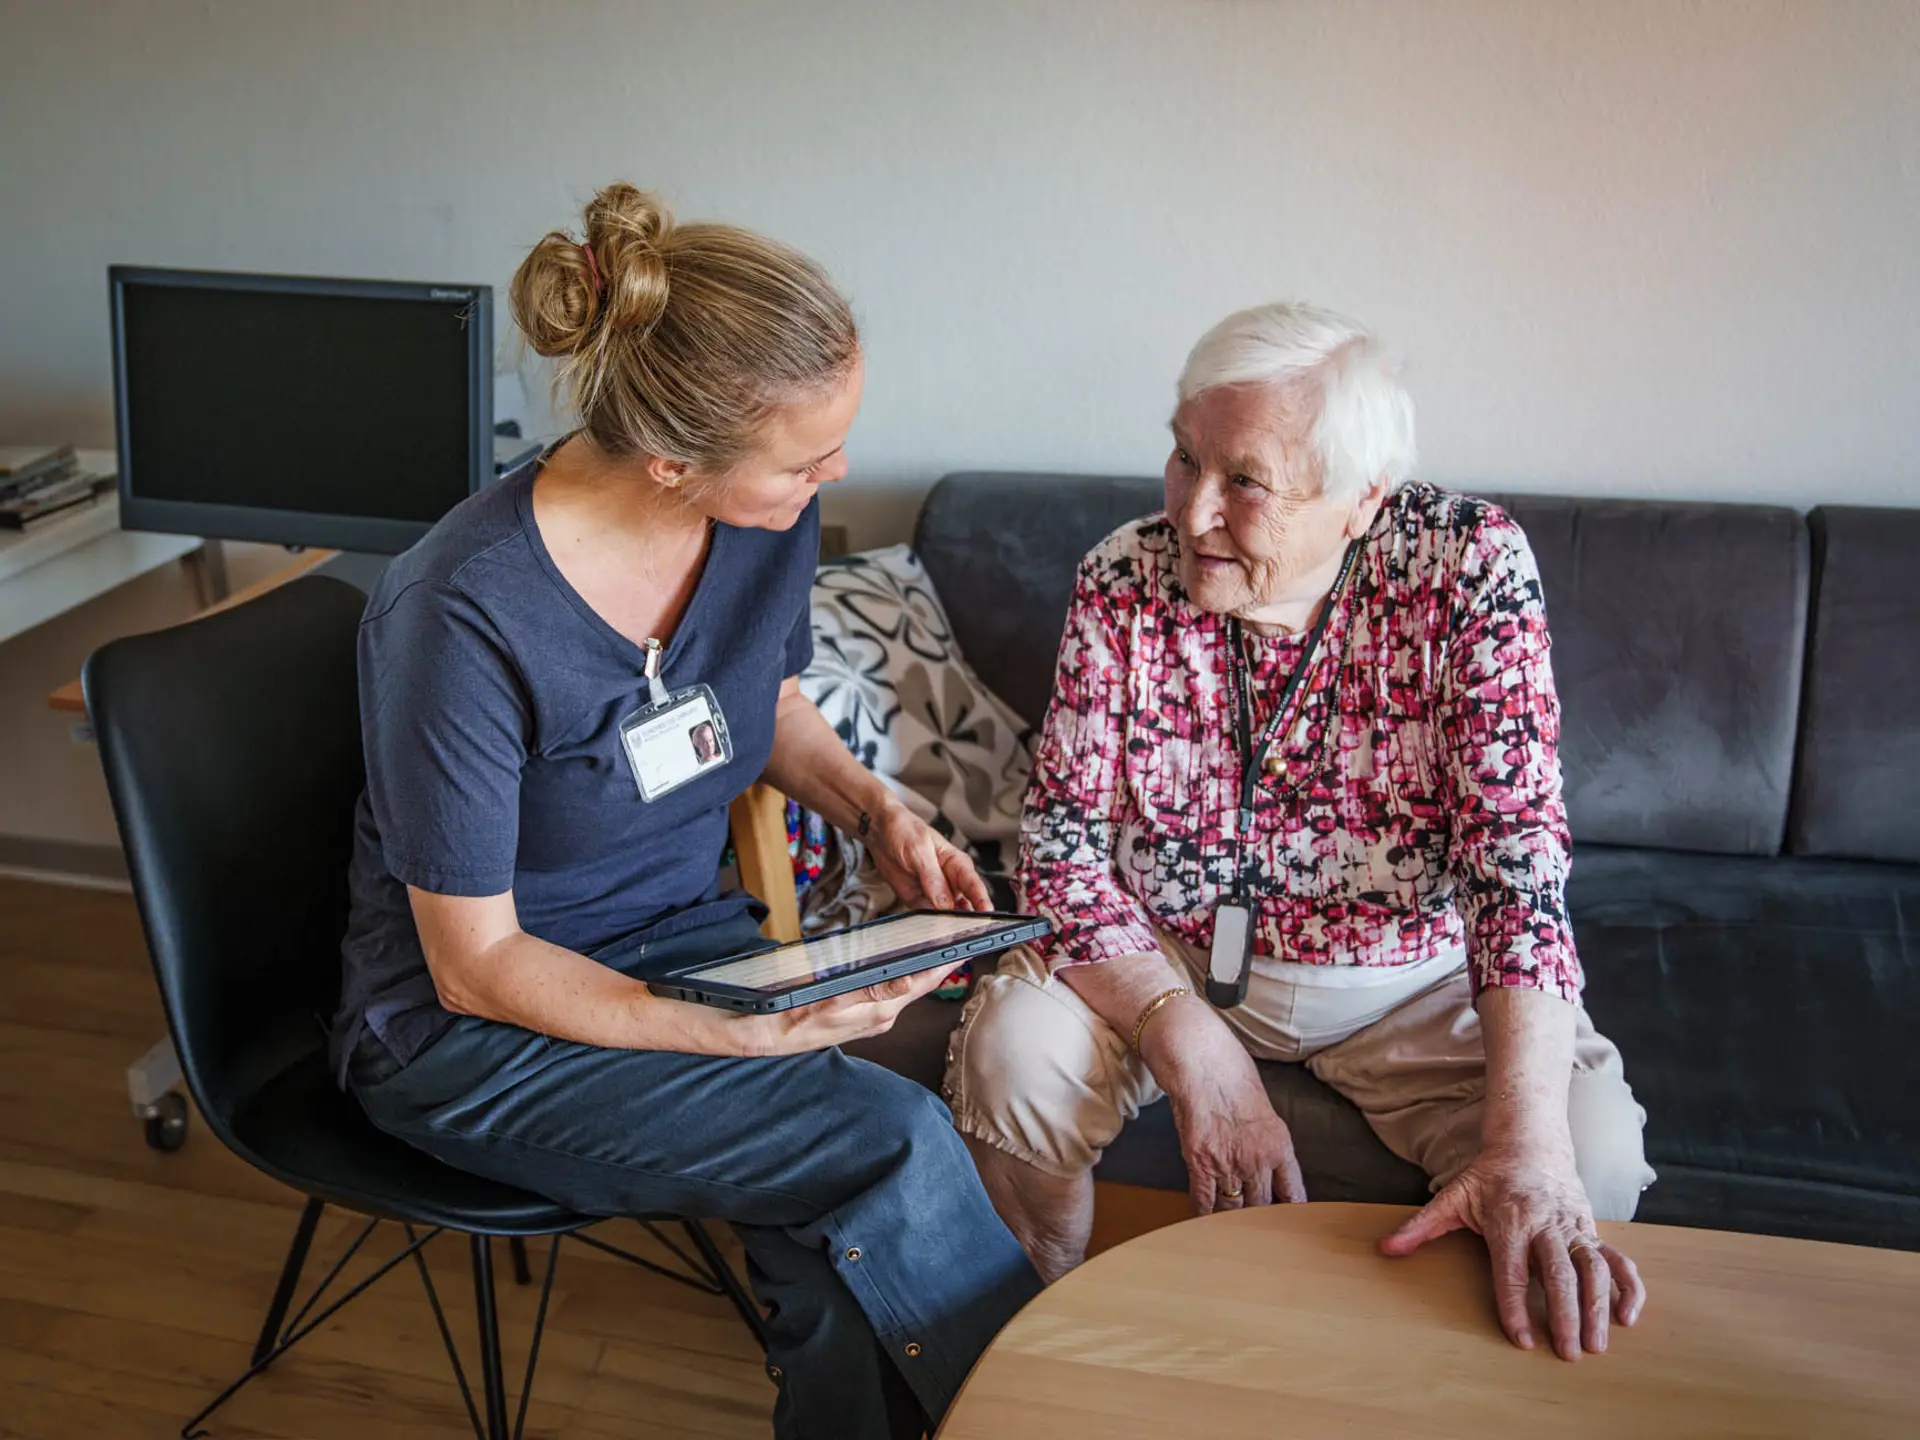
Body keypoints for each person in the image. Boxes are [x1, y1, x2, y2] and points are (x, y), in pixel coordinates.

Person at [331, 183, 1039, 1440]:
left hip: (686, 949)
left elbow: (756, 701)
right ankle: (1045, 1418)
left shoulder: (760, 517)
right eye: (807, 458)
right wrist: (733, 1037)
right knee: (887, 1142)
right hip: (474, 1032)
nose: (834, 475)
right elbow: (473, 966)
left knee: (841, 1224)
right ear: (672, 461)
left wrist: (880, 813)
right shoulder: (458, 613)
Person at [943, 302, 1654, 1362]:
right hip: (1166, 955)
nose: (1191, 515)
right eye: (1184, 458)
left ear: (1361, 501)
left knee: (1587, 1155)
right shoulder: (1124, 578)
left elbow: (1519, 870)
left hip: (1406, 980)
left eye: (1246, 482)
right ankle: (1023, 1342)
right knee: (1012, 1054)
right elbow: (1062, 853)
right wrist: (1191, 1042)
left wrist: (1529, 1141)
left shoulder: (1466, 570)